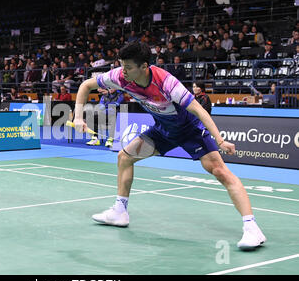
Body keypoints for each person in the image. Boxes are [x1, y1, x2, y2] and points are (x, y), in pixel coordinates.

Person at [73, 41, 266, 250]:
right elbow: (86, 85)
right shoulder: (120, 76)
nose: (123, 71)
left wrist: (219, 140)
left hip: (189, 131)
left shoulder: (166, 83)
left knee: (220, 171)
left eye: (128, 67)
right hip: (163, 131)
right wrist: (78, 117)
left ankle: (252, 228)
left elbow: (199, 111)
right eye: (122, 65)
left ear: (144, 66)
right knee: (124, 157)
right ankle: (120, 211)